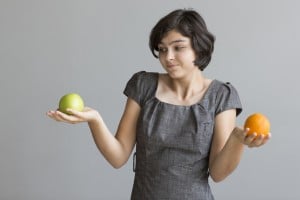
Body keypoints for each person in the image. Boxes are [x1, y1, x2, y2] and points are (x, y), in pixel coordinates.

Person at [47, 8, 271, 200]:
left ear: (199, 48)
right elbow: (118, 157)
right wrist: (94, 119)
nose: (168, 57)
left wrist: (236, 140)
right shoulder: (143, 85)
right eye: (162, 49)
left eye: (178, 47)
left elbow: (219, 173)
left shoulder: (221, 96)